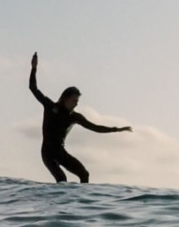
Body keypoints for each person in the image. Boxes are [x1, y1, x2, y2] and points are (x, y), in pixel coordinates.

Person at [28, 52, 132, 183]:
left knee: (84, 174)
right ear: (65, 98)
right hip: (47, 153)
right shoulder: (50, 106)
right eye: (74, 100)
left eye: (77, 101)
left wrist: (116, 129)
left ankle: (82, 196)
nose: (76, 104)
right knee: (62, 179)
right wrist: (34, 68)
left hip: (60, 152)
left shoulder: (75, 117)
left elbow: (95, 128)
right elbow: (33, 88)